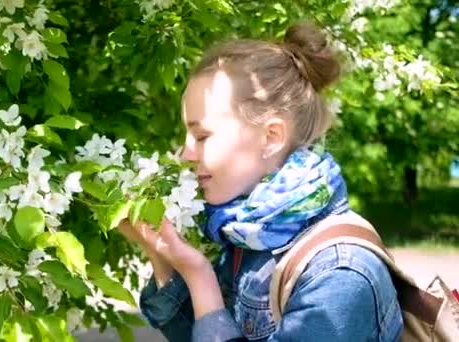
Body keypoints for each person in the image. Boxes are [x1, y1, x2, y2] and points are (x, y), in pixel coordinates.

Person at [117, 22, 403, 341]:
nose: (184, 155)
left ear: (271, 137)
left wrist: (200, 278)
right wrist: (162, 255)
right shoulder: (247, 236)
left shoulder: (338, 274)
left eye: (202, 136)